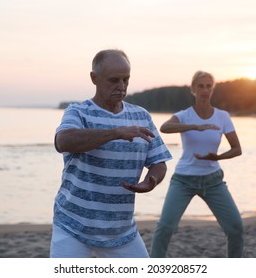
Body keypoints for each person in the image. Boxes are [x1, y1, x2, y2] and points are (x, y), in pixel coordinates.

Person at [50, 49, 172, 258]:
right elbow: (63, 141)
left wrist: (150, 180)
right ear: (94, 78)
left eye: (126, 80)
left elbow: (158, 161)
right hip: (73, 226)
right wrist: (116, 132)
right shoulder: (79, 112)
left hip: (121, 232)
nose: (122, 86)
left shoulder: (141, 116)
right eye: (114, 80)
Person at [150, 71, 244, 258]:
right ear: (193, 90)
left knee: (236, 229)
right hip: (184, 180)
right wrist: (195, 126)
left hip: (213, 181)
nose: (205, 90)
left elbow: (237, 149)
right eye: (200, 86)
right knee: (166, 227)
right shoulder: (184, 115)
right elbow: (164, 127)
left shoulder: (222, 116)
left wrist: (217, 158)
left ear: (212, 89)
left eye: (209, 86)